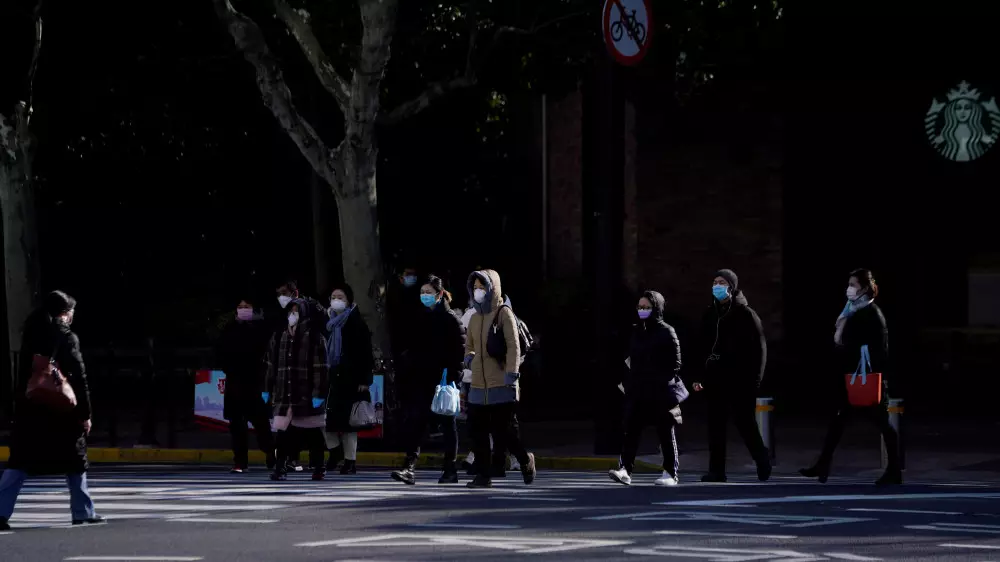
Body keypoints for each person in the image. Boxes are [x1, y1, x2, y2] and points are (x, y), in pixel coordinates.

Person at [0, 291, 103, 530]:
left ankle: (0, 511)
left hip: (31, 410)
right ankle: (82, 511)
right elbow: (79, 377)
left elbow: (23, 377)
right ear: (65, 313)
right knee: (75, 461)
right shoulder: (66, 337)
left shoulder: (31, 335)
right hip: (61, 410)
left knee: (19, 463)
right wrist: (85, 414)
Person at [800, 269, 901, 486]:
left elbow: (873, 348)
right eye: (849, 284)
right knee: (838, 421)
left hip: (868, 379)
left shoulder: (870, 313)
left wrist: (853, 352)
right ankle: (823, 464)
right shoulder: (854, 310)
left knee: (883, 424)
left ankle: (894, 470)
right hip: (855, 378)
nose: (849, 289)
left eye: (853, 285)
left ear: (864, 288)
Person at [691, 269, 771, 483]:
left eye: (722, 282)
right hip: (715, 378)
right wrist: (699, 375)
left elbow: (759, 349)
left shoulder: (746, 314)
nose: (717, 286)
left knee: (745, 422)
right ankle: (716, 470)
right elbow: (701, 347)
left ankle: (762, 458)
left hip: (740, 379)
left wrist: (755, 379)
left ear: (732, 287)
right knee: (715, 425)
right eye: (715, 282)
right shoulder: (710, 314)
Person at [464, 269, 536, 488]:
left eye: (482, 287)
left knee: (502, 432)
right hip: (478, 384)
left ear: (492, 289)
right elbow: (469, 345)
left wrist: (511, 375)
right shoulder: (474, 318)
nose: (478, 291)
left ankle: (525, 459)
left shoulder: (504, 314)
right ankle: (483, 474)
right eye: (475, 287)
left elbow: (514, 346)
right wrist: (470, 360)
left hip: (501, 383)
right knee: (477, 431)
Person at [391, 276, 466, 485]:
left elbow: (460, 351)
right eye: (422, 292)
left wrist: (453, 378)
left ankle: (450, 468)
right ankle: (409, 466)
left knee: (447, 424)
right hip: (421, 379)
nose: (425, 296)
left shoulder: (450, 319)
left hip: (443, 380)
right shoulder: (419, 316)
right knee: (416, 422)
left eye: (429, 292)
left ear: (439, 294)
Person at [610, 291, 686, 486]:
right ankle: (625, 469)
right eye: (640, 307)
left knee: (665, 431)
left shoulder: (667, 331)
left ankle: (670, 472)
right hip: (638, 389)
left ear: (656, 309)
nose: (642, 310)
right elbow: (631, 358)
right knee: (631, 430)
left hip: (660, 391)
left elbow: (676, 363)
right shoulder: (637, 332)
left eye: (646, 307)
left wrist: (657, 378)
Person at [263, 299, 330, 481]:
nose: (293, 315)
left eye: (296, 311)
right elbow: (270, 365)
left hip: (305, 394)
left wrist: (318, 393)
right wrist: (267, 388)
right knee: (283, 433)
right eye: (290, 311)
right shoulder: (279, 336)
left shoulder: (315, 337)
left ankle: (318, 466)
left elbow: (321, 368)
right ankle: (280, 467)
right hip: (284, 394)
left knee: (313, 431)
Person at [217, 294, 276, 473]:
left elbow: (267, 354)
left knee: (261, 423)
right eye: (240, 306)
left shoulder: (262, 329)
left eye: (247, 306)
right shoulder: (229, 329)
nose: (243, 309)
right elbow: (221, 352)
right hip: (235, 382)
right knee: (237, 424)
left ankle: (271, 454)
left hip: (255, 382)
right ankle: (240, 461)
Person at [324, 284, 374, 475]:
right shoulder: (329, 323)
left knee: (349, 424)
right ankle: (335, 451)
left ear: (348, 300)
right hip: (331, 377)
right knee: (324, 420)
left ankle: (350, 461)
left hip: (351, 379)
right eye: (333, 297)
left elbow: (365, 354)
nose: (336, 300)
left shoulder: (356, 323)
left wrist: (365, 380)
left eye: (341, 297)